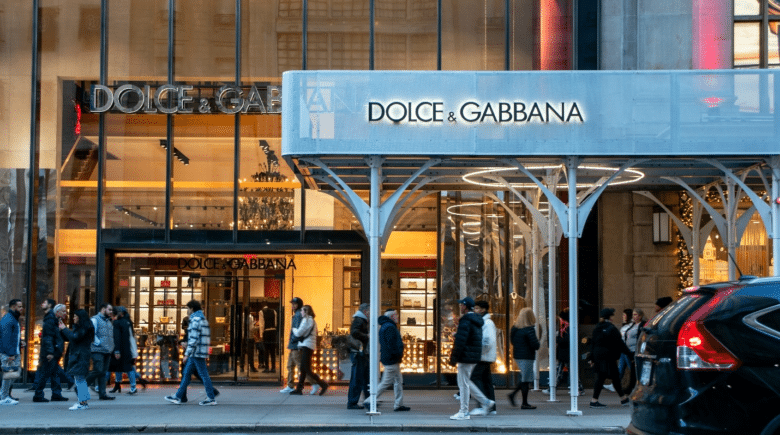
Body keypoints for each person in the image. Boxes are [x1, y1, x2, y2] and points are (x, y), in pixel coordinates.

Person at [448, 296, 493, 421]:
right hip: (472, 356)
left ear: (465, 306)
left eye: (461, 305)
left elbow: (461, 341)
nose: (460, 307)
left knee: (463, 384)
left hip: (465, 356)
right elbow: (470, 337)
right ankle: (486, 402)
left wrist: (454, 358)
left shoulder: (466, 320)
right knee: (466, 382)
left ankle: (464, 411)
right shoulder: (476, 320)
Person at [165, 300, 217, 406]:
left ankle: (211, 398)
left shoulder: (195, 320)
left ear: (192, 309)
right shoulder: (203, 319)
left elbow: (193, 338)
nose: (187, 311)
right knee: (187, 374)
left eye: (187, 308)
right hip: (198, 352)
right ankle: (178, 396)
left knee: (203, 375)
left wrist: (186, 354)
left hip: (196, 352)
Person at [588, 308, 632, 408]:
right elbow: (620, 343)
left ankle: (623, 399)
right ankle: (594, 401)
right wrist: (629, 354)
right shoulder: (611, 328)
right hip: (608, 356)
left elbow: (592, 344)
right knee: (606, 378)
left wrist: (591, 358)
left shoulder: (597, 328)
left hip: (598, 356)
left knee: (611, 377)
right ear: (610, 317)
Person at [367, 309, 409, 411]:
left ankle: (398, 404)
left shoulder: (386, 326)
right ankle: (369, 400)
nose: (398, 317)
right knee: (386, 382)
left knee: (398, 381)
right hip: (392, 358)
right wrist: (398, 352)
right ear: (391, 316)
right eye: (396, 315)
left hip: (390, 357)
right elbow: (391, 344)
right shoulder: (390, 327)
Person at [33, 300, 68, 403]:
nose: (65, 313)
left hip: (54, 352)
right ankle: (38, 394)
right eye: (63, 311)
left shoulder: (56, 320)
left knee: (54, 373)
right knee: (46, 373)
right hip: (51, 353)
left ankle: (56, 394)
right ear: (57, 312)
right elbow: (48, 337)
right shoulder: (51, 320)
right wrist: (50, 352)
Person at [280, 297, 317, 394]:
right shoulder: (298, 314)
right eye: (292, 304)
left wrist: (293, 341)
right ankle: (290, 385)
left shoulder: (298, 315)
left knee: (301, 367)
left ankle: (314, 383)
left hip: (295, 345)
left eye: (294, 304)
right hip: (294, 345)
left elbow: (297, 331)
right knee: (291, 366)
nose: (293, 306)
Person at [59, 309, 94, 410]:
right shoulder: (85, 326)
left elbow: (74, 337)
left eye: (75, 316)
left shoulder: (84, 327)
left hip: (80, 355)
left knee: (79, 379)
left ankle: (82, 403)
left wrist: (64, 329)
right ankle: (83, 401)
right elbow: (72, 337)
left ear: (79, 317)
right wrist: (63, 330)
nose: (73, 318)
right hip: (81, 355)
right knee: (80, 379)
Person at [289, 305, 328, 396]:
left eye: (302, 311)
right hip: (308, 346)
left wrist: (293, 328)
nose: (301, 312)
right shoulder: (311, 320)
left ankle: (323, 384)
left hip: (307, 346)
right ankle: (299, 389)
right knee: (303, 369)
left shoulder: (307, 320)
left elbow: (299, 333)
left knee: (307, 369)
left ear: (306, 312)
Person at [178, 316, 219, 402]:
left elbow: (189, 341)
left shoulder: (190, 331)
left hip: (191, 356)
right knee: (199, 375)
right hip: (196, 355)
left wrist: (181, 343)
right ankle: (212, 391)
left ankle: (182, 396)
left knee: (188, 375)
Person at [109, 306, 148, 394]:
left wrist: (117, 350)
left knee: (123, 368)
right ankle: (131, 384)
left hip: (122, 349)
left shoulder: (118, 322)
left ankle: (121, 385)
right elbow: (130, 337)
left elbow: (118, 337)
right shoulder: (127, 322)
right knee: (127, 368)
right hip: (127, 349)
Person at [508, 307, 540, 409]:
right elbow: (536, 345)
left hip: (518, 355)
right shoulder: (529, 330)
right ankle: (523, 402)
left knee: (525, 379)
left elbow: (512, 342)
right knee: (526, 379)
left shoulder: (514, 328)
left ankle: (516, 397)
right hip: (527, 356)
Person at [469, 300, 497, 416]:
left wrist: (478, 352)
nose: (474, 310)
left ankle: (483, 405)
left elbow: (487, 341)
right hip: (484, 356)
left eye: (476, 308)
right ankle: (491, 407)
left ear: (482, 310)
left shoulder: (487, 323)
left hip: (483, 357)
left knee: (475, 379)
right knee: (486, 381)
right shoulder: (483, 322)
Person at [85, 303, 115, 400]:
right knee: (98, 370)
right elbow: (92, 334)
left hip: (107, 350)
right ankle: (81, 387)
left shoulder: (109, 322)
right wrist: (99, 343)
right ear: (103, 309)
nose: (111, 312)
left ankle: (102, 394)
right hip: (97, 350)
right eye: (109, 310)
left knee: (103, 372)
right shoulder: (95, 319)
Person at [0, 299, 25, 405]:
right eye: (19, 306)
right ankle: (4, 397)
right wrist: (10, 354)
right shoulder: (8, 319)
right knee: (9, 375)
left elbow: (12, 337)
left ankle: (4, 395)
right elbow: (5, 338)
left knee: (13, 374)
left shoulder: (13, 318)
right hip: (9, 353)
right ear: (13, 307)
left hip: (12, 352)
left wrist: (19, 344)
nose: (22, 308)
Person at [347, 303, 370, 409]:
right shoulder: (359, 319)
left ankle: (368, 400)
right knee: (358, 378)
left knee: (364, 378)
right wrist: (366, 336)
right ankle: (352, 402)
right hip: (358, 353)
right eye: (369, 311)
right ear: (365, 311)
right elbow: (354, 332)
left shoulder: (361, 319)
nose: (370, 313)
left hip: (360, 353)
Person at [622, 308, 646, 392]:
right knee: (632, 370)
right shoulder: (632, 325)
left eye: (635, 315)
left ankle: (632, 389)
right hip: (628, 351)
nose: (634, 316)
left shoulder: (642, 325)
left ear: (640, 316)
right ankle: (631, 388)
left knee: (634, 370)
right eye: (633, 315)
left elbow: (641, 337)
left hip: (635, 351)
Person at [261, 304, 277, 373]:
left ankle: (267, 368)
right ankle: (273, 368)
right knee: (273, 351)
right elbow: (275, 323)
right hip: (273, 332)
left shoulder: (261, 312)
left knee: (266, 351)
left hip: (266, 332)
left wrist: (261, 335)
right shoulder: (274, 311)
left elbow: (262, 324)